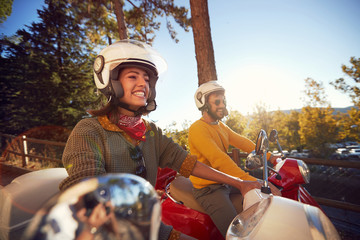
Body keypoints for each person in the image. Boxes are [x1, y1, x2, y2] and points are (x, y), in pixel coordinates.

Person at [59, 40, 267, 240]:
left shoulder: (151, 132)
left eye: (147, 79)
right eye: (133, 76)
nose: (143, 83)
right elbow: (87, 189)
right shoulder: (89, 130)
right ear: (111, 81)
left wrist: (241, 183)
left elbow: (187, 162)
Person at [189, 80, 281, 238]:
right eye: (217, 101)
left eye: (223, 100)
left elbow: (243, 142)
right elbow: (219, 160)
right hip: (209, 189)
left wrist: (271, 157)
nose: (222, 105)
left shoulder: (220, 126)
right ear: (203, 104)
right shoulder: (197, 129)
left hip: (226, 181)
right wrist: (249, 181)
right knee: (237, 232)